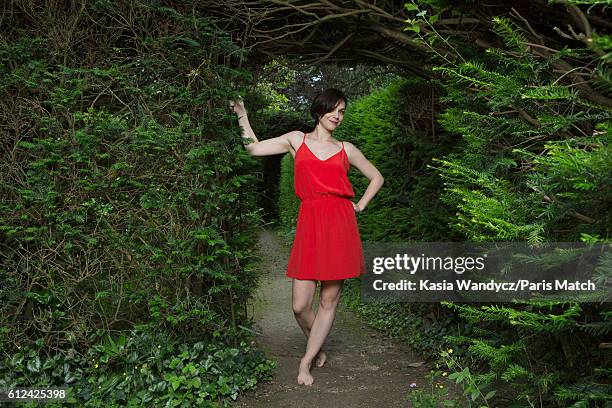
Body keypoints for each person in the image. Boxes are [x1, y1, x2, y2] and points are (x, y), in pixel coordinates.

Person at [229, 88, 384, 386]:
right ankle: (318, 346)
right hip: (310, 222)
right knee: (300, 305)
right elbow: (254, 149)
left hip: (340, 224)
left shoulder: (346, 149)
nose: (338, 116)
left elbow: (376, 177)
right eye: (333, 110)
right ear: (319, 110)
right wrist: (241, 113)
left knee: (328, 299)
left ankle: (306, 361)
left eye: (342, 112)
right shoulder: (296, 140)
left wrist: (359, 205)